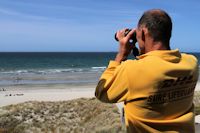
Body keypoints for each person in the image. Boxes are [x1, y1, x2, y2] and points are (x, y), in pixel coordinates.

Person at [95, 9, 199, 133]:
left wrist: (122, 54)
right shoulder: (191, 63)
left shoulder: (131, 70)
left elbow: (102, 92)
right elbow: (155, 66)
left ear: (143, 33)